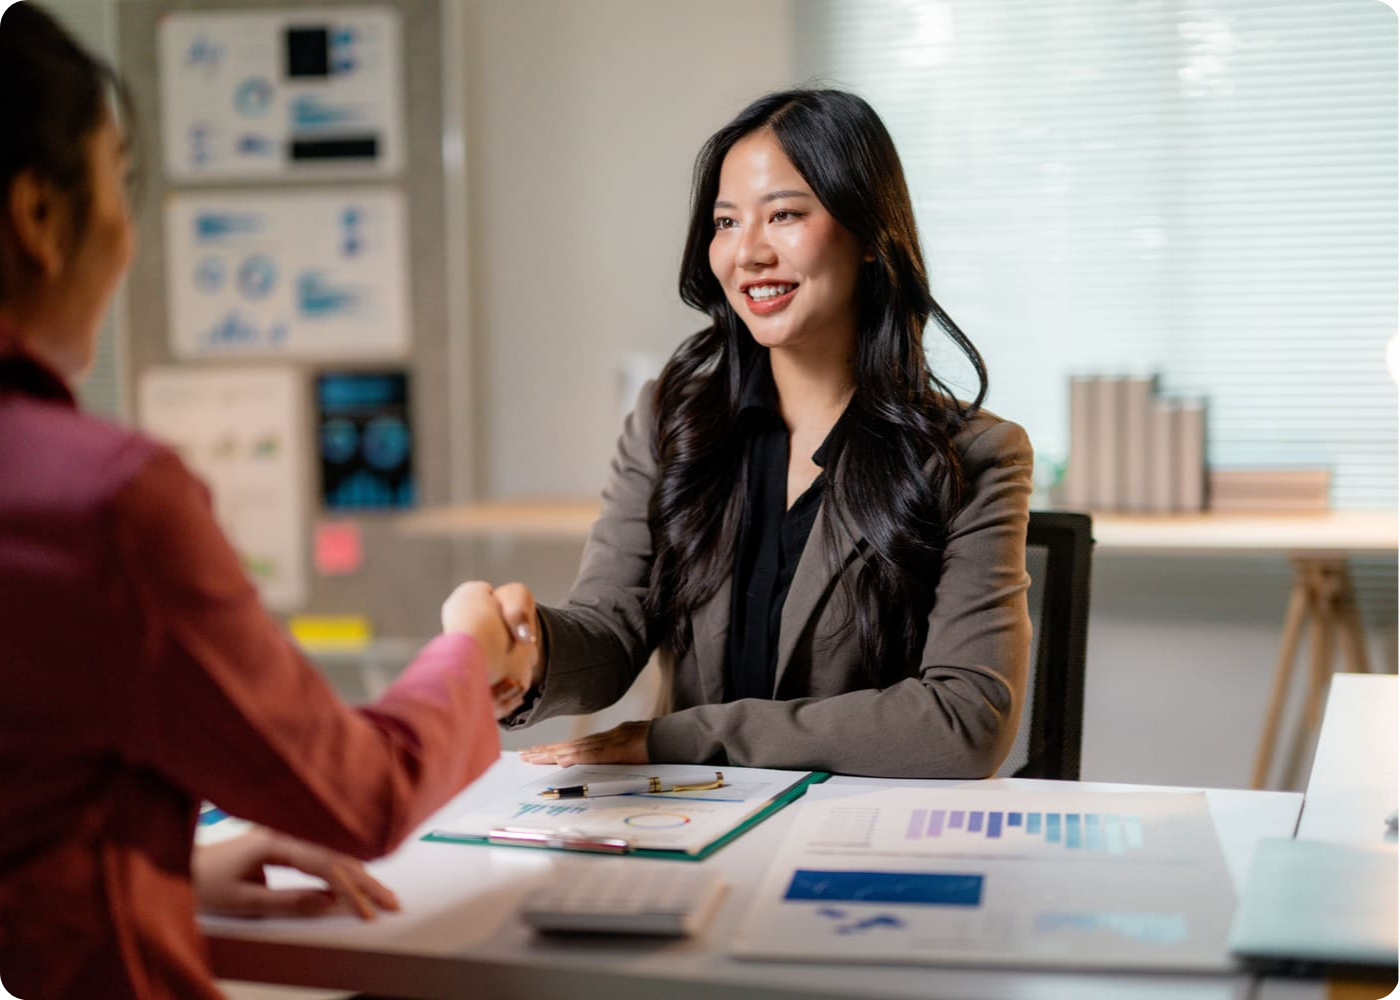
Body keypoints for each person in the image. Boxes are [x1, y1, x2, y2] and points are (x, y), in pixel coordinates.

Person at [0, 5, 530, 997]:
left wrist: (168, 868)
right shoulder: (103, 502)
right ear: (39, 217)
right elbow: (360, 792)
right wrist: (468, 647)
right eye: (121, 174)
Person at [484, 88, 1034, 779]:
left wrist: (691, 737)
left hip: (860, 844)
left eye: (783, 215)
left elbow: (965, 721)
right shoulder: (671, 422)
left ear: (867, 233)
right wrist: (528, 655)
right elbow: (611, 628)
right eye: (724, 222)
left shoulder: (975, 457)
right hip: (689, 834)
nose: (747, 253)